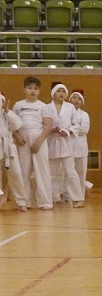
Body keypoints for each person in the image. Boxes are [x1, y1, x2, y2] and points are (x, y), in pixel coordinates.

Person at [13, 75, 55, 210]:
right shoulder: (18, 105)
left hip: (38, 137)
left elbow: (48, 125)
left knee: (42, 170)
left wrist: (39, 141)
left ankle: (45, 201)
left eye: (35, 89)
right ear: (24, 89)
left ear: (39, 91)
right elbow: (11, 124)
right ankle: (24, 201)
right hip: (22, 139)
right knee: (23, 170)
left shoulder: (43, 106)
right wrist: (17, 137)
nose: (32, 91)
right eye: (29, 88)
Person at [46, 82, 82, 207]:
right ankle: (52, 197)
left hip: (66, 142)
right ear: (53, 93)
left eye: (63, 91)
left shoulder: (70, 107)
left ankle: (78, 198)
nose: (61, 94)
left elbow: (76, 124)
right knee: (52, 173)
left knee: (71, 171)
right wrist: (51, 130)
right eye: (59, 91)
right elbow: (43, 124)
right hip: (52, 141)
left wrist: (67, 131)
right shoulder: (47, 107)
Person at [0, 91, 27, 211]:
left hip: (8, 148)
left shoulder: (7, 114)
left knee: (16, 174)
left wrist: (7, 111)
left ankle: (21, 202)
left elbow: (17, 125)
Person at [69, 89, 91, 197]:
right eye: (74, 98)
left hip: (80, 147)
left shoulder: (84, 115)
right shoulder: (65, 112)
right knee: (67, 173)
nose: (76, 100)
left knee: (80, 173)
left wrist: (70, 130)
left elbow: (84, 129)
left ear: (82, 102)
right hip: (67, 147)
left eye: (79, 99)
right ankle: (67, 195)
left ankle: (80, 195)